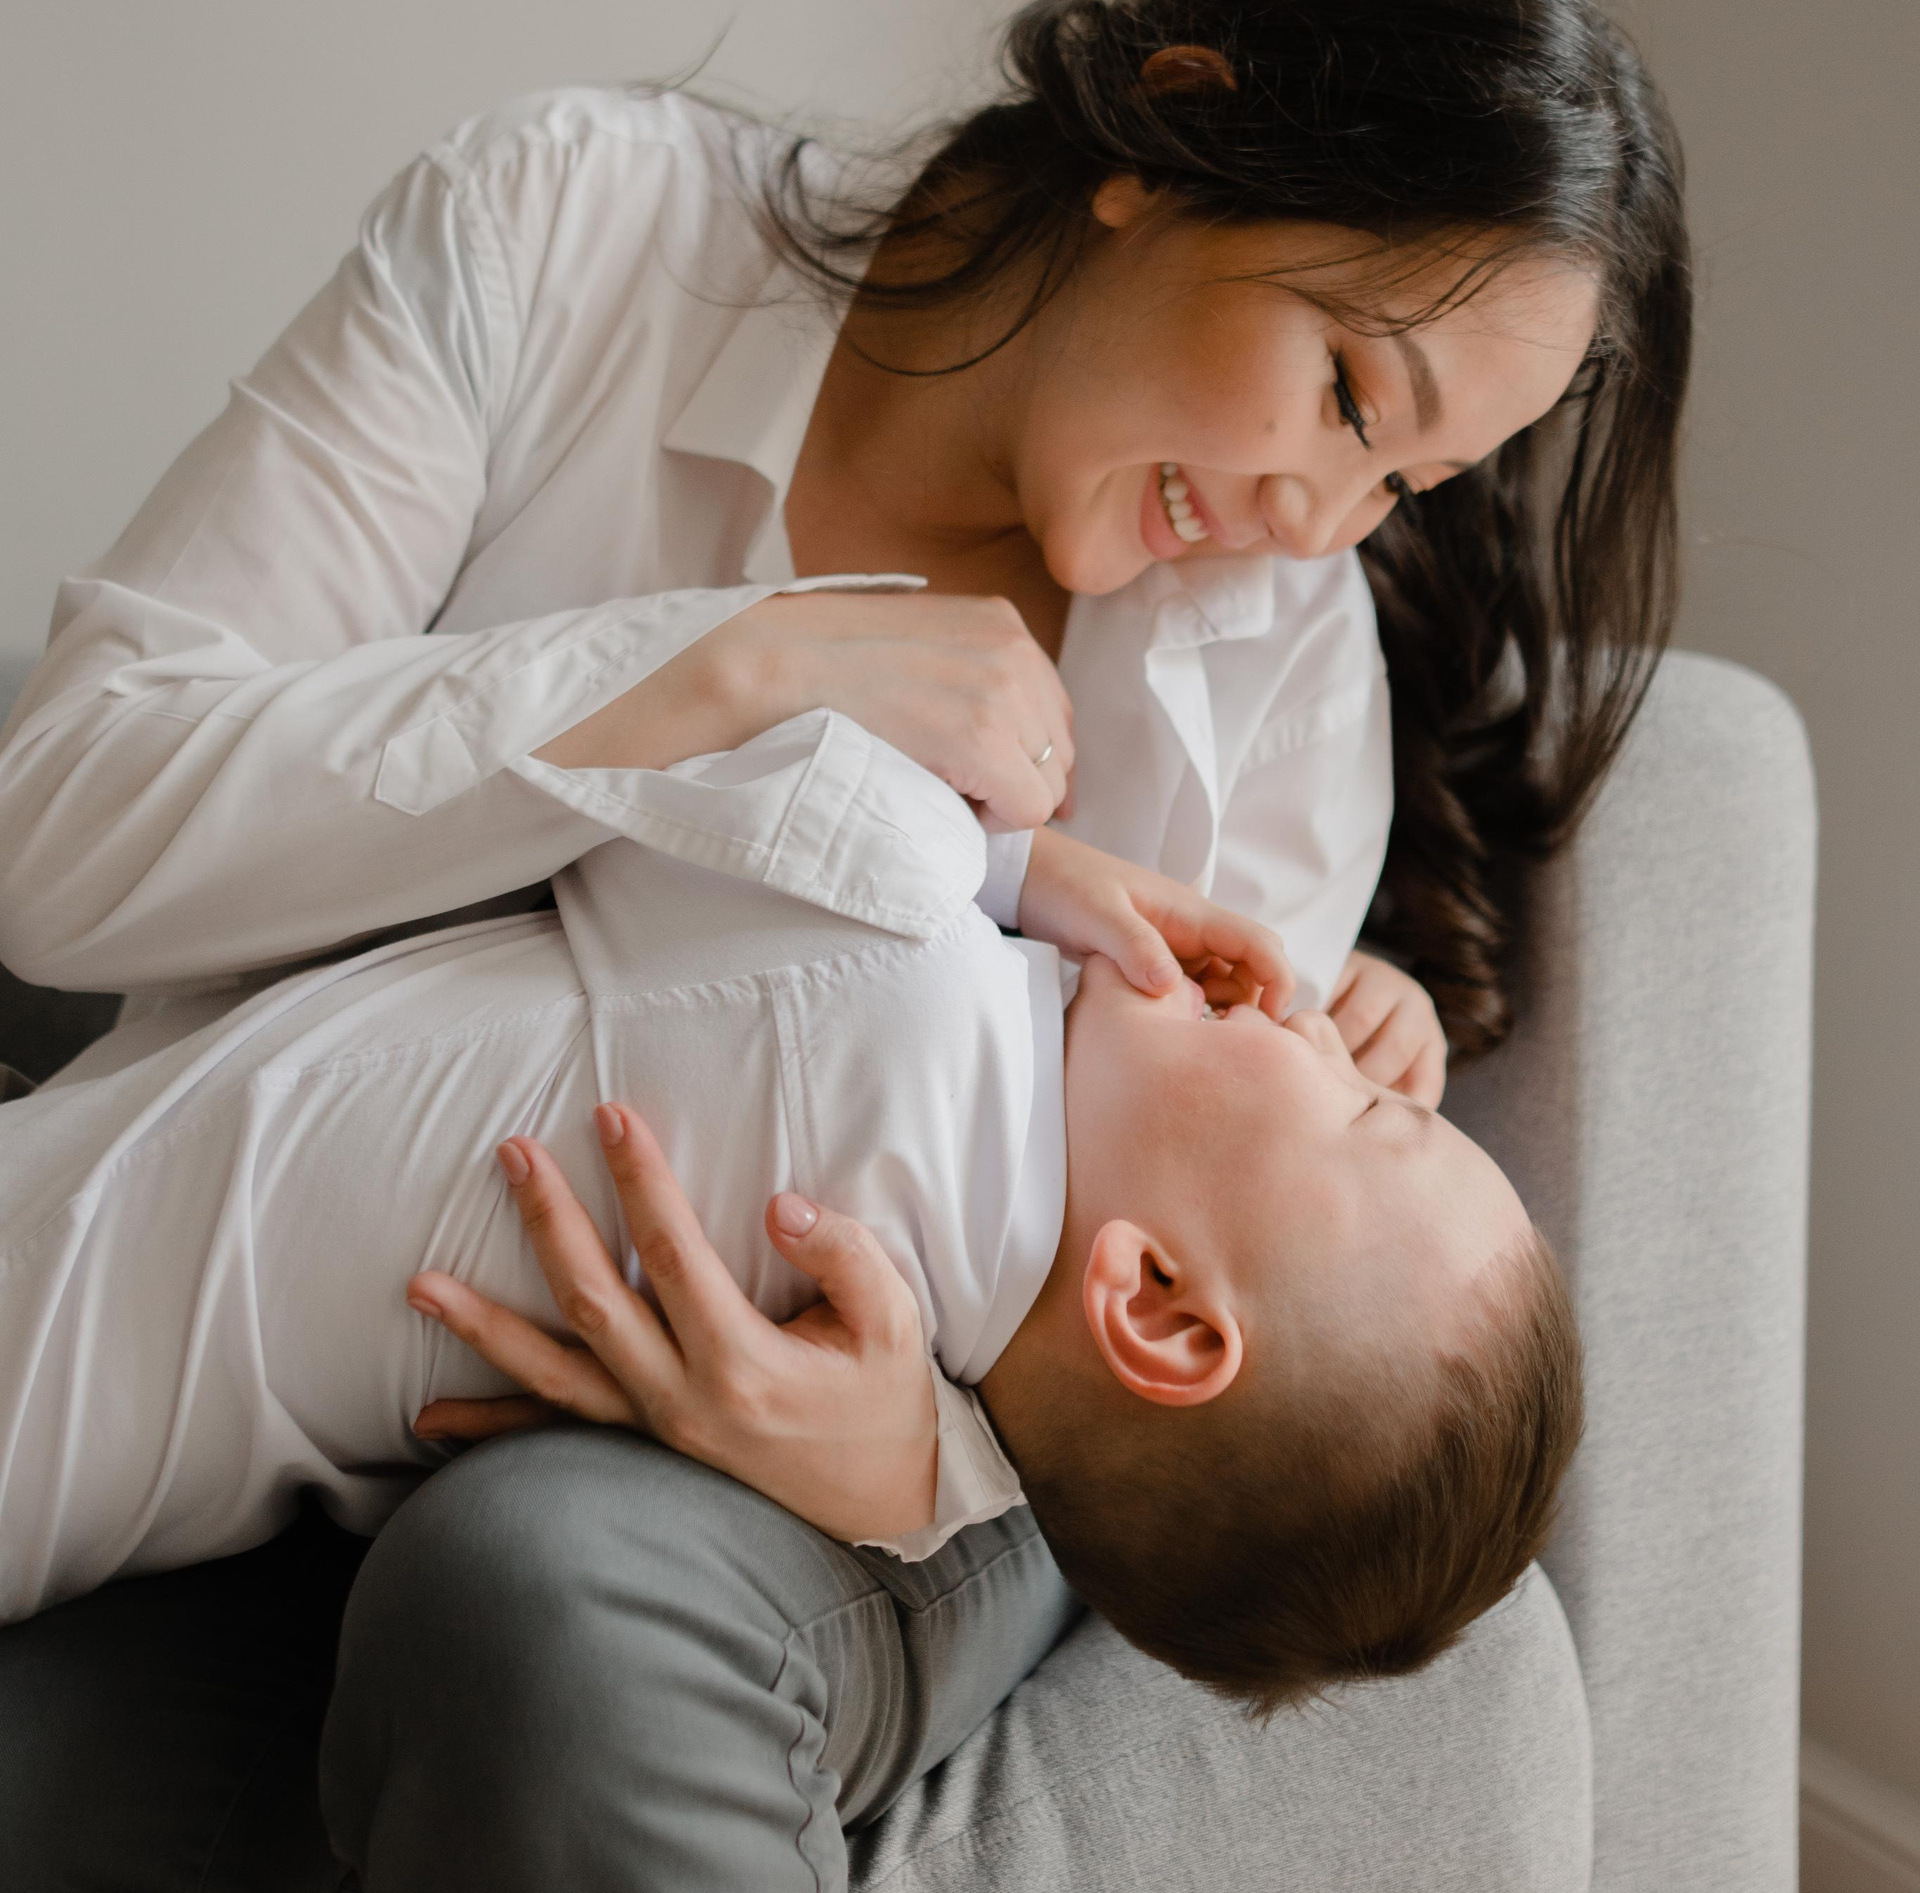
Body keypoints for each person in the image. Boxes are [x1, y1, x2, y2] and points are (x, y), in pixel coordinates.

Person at [0, 0, 1688, 1893]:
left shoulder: (1267, 659)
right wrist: (727, 674)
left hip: (921, 1451)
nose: (1320, 522)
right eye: (1342, 391)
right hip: (349, 1312)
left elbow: (1201, 1351)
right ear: (1175, 130)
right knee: (40, 1821)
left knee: (543, 1593)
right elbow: (67, 844)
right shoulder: (573, 235)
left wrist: (916, 1467)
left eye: (1403, 485)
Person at [0, 746, 1580, 1713]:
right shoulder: (898, 1379)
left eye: (1367, 1114)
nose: (1318, 1021)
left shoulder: (899, 986)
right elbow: (1002, 1452)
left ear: (1158, 1305)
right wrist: (925, 1479)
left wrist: (1016, 865)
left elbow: (667, 752)